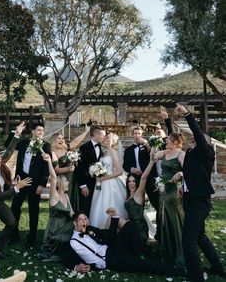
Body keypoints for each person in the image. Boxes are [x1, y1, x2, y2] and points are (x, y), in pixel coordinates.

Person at [172, 104, 226, 281]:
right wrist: (183, 186)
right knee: (200, 237)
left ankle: (196, 278)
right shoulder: (190, 153)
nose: (194, 139)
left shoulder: (206, 152)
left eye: (198, 138)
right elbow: (189, 173)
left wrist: (187, 114)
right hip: (189, 199)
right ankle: (218, 268)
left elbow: (197, 134)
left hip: (200, 202)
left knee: (188, 242)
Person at [61, 211, 184, 276]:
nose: (84, 221)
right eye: (81, 219)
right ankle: (178, 271)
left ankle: (141, 252)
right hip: (110, 260)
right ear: (74, 223)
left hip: (112, 248)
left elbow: (108, 235)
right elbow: (65, 258)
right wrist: (76, 267)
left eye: (86, 219)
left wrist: (113, 218)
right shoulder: (72, 242)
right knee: (143, 265)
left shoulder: (90, 229)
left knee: (130, 225)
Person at [5, 122, 52, 248]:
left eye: (42, 130)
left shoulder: (46, 146)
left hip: (35, 183)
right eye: (39, 130)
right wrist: (15, 133)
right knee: (15, 208)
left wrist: (42, 184)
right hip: (21, 181)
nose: (41, 132)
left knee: (33, 211)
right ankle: (14, 235)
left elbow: (46, 168)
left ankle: (31, 238)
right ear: (33, 132)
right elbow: (8, 145)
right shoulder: (24, 143)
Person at [0, 122, 32, 259]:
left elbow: (9, 151)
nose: (0, 158)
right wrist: (16, 188)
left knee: (11, 223)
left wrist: (17, 134)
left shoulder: (1, 167)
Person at [155, 132, 185, 269]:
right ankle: (167, 253)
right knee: (163, 219)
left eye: (168, 139)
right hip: (163, 191)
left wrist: (180, 174)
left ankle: (179, 255)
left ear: (175, 141)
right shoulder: (166, 152)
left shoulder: (181, 154)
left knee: (174, 221)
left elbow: (188, 171)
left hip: (174, 191)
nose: (166, 141)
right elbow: (153, 157)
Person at [37, 152, 74, 262]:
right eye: (66, 181)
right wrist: (49, 161)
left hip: (65, 226)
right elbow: (53, 177)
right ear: (60, 184)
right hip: (54, 230)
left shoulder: (66, 196)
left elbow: (72, 213)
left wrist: (82, 220)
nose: (68, 183)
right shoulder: (54, 196)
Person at [89, 132, 127, 228]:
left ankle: (112, 227)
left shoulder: (113, 152)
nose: (106, 139)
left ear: (113, 141)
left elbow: (119, 171)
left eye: (108, 138)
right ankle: (98, 227)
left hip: (110, 183)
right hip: (101, 183)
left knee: (109, 203)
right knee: (99, 205)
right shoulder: (104, 152)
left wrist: (103, 178)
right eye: (106, 138)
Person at [51, 125, 90, 212]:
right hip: (63, 179)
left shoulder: (66, 149)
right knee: (66, 197)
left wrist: (86, 132)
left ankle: (74, 219)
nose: (61, 140)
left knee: (74, 198)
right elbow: (56, 169)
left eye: (62, 138)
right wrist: (68, 169)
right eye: (58, 138)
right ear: (54, 140)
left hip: (73, 178)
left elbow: (76, 142)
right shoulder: (53, 153)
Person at [124, 147, 156, 252]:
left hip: (139, 229)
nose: (131, 183)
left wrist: (151, 161)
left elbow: (143, 178)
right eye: (129, 181)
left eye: (133, 181)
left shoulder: (138, 194)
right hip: (132, 228)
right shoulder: (128, 196)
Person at [76, 126, 106, 216]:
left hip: (99, 183)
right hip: (87, 183)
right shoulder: (84, 148)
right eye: (102, 135)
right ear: (95, 134)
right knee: (85, 206)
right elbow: (80, 168)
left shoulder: (103, 148)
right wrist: (83, 185)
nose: (104, 137)